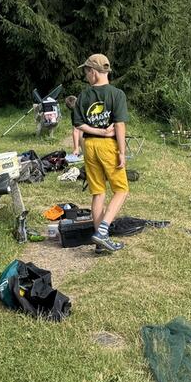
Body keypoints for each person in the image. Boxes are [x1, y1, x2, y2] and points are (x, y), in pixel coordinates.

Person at [71, 54, 129, 253]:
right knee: (121, 190)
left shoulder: (83, 96)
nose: (86, 75)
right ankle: (103, 232)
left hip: (90, 146)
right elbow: (120, 125)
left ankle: (99, 243)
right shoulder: (116, 94)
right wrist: (121, 151)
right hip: (107, 147)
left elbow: (79, 124)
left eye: (86, 71)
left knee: (98, 192)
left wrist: (96, 131)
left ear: (94, 72)